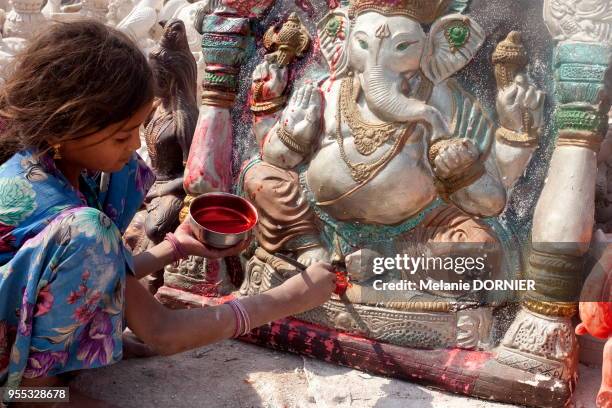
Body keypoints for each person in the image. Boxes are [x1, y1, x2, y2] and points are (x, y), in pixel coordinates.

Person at [0, 20, 335, 404]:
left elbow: (85, 268)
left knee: (123, 178)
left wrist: (176, 247)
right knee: (93, 228)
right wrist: (291, 298)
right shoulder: (63, 214)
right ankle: (36, 392)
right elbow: (163, 332)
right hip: (18, 385)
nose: (137, 144)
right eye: (122, 135)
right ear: (66, 126)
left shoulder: (61, 166)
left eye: (139, 128)